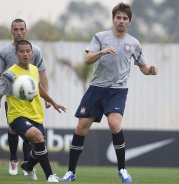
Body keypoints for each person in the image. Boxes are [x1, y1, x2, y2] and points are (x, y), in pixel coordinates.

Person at [60, 2, 157, 183]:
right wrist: (102, 52)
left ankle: (123, 170)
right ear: (113, 19)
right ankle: (71, 172)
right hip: (97, 88)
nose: (121, 21)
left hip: (117, 90)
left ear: (129, 22)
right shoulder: (100, 37)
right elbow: (88, 59)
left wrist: (150, 70)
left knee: (114, 124)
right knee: (81, 128)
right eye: (118, 18)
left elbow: (143, 67)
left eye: (125, 18)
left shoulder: (133, 43)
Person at [0, 39, 66, 182]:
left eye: (28, 51)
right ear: (16, 53)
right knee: (38, 137)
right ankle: (50, 176)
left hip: (36, 114)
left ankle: (28, 166)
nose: (25, 54)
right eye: (21, 51)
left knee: (39, 147)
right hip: (17, 116)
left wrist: (53, 102)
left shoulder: (34, 69)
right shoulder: (9, 74)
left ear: (32, 53)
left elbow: (38, 89)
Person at [0, 18, 51, 176]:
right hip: (13, 100)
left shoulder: (35, 51)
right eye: (16, 29)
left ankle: (28, 164)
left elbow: (42, 73)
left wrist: (47, 97)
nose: (19, 32)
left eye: (21, 29)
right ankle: (13, 158)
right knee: (13, 129)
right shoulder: (5, 52)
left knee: (31, 133)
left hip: (31, 99)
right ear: (11, 31)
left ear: (26, 30)